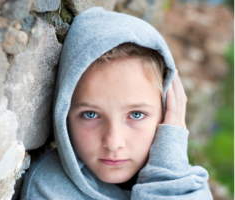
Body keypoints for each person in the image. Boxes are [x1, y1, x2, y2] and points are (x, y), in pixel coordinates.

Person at [20, 7, 213, 199]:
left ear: (166, 111)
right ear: (64, 113)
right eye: (90, 114)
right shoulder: (49, 189)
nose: (113, 143)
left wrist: (169, 168)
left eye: (136, 114)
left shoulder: (186, 183)